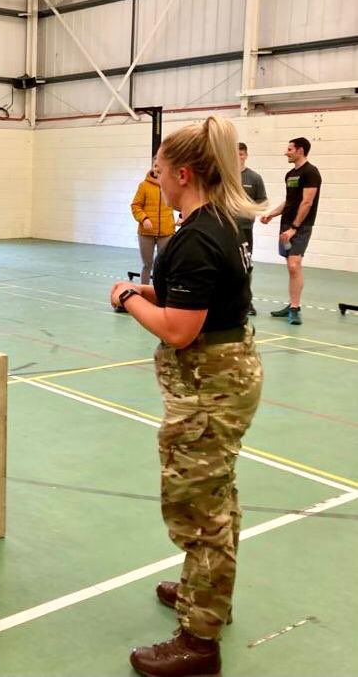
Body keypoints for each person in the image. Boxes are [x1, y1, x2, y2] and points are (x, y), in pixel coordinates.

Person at [109, 116, 264, 677]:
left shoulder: (198, 235)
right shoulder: (215, 222)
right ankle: (206, 593)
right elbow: (194, 297)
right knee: (215, 497)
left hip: (209, 386)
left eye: (158, 171)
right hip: (223, 376)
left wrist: (129, 299)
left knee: (200, 509)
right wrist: (144, 289)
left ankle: (199, 642)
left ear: (182, 173)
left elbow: (179, 329)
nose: (155, 179)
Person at [259, 136, 321, 325]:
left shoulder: (311, 172)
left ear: (300, 150)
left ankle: (295, 308)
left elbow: (307, 201)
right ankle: (292, 305)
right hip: (286, 225)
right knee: (291, 267)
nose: (286, 152)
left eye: (290, 149)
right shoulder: (290, 174)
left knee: (294, 265)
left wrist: (294, 228)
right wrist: (272, 214)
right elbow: (290, 200)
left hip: (300, 227)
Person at [130, 157, 175, 285]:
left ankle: (162, 293)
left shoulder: (171, 185)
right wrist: (144, 219)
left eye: (160, 166)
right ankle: (144, 291)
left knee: (164, 265)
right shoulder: (143, 186)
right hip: (146, 233)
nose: (157, 169)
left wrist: (182, 216)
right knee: (147, 265)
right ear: (152, 167)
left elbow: (180, 201)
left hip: (166, 232)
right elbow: (135, 206)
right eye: (155, 166)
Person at [237, 142, 267, 316]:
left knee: (245, 266)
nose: (238, 157)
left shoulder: (254, 178)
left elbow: (262, 201)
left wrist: (252, 211)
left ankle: (246, 302)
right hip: (225, 228)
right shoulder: (224, 176)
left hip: (245, 228)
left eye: (241, 154)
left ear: (246, 155)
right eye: (235, 154)